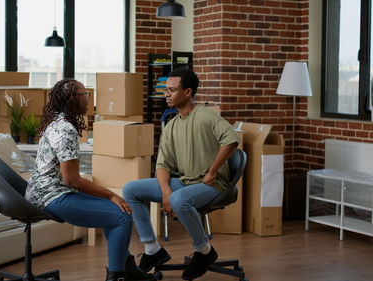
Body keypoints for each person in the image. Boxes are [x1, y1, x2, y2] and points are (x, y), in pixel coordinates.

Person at [25, 78, 157, 281]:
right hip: (52, 197)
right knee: (122, 215)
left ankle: (127, 268)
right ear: (72, 99)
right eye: (84, 94)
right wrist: (113, 195)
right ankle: (117, 275)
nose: (88, 98)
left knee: (114, 211)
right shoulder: (65, 130)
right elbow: (72, 180)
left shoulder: (58, 122)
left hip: (45, 193)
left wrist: (109, 198)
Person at [123, 69, 240, 280]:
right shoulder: (172, 126)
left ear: (187, 92)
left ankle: (204, 251)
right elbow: (162, 165)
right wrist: (166, 191)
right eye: (165, 90)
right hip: (185, 183)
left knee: (178, 199)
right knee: (131, 189)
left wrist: (213, 171)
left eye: (171, 90)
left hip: (213, 185)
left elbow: (231, 140)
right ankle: (152, 249)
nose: (166, 94)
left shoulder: (207, 115)